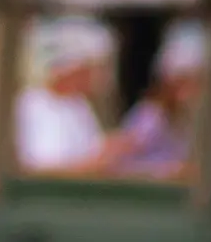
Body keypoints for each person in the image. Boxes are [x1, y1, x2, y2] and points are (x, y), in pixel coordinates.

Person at [15, 18, 128, 172]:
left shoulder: (79, 103)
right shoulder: (34, 103)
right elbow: (45, 170)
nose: (101, 76)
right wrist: (97, 163)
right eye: (92, 69)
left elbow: (93, 151)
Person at [113, 26, 207, 178]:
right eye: (183, 83)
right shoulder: (151, 115)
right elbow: (118, 161)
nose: (190, 91)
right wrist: (169, 171)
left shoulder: (182, 118)